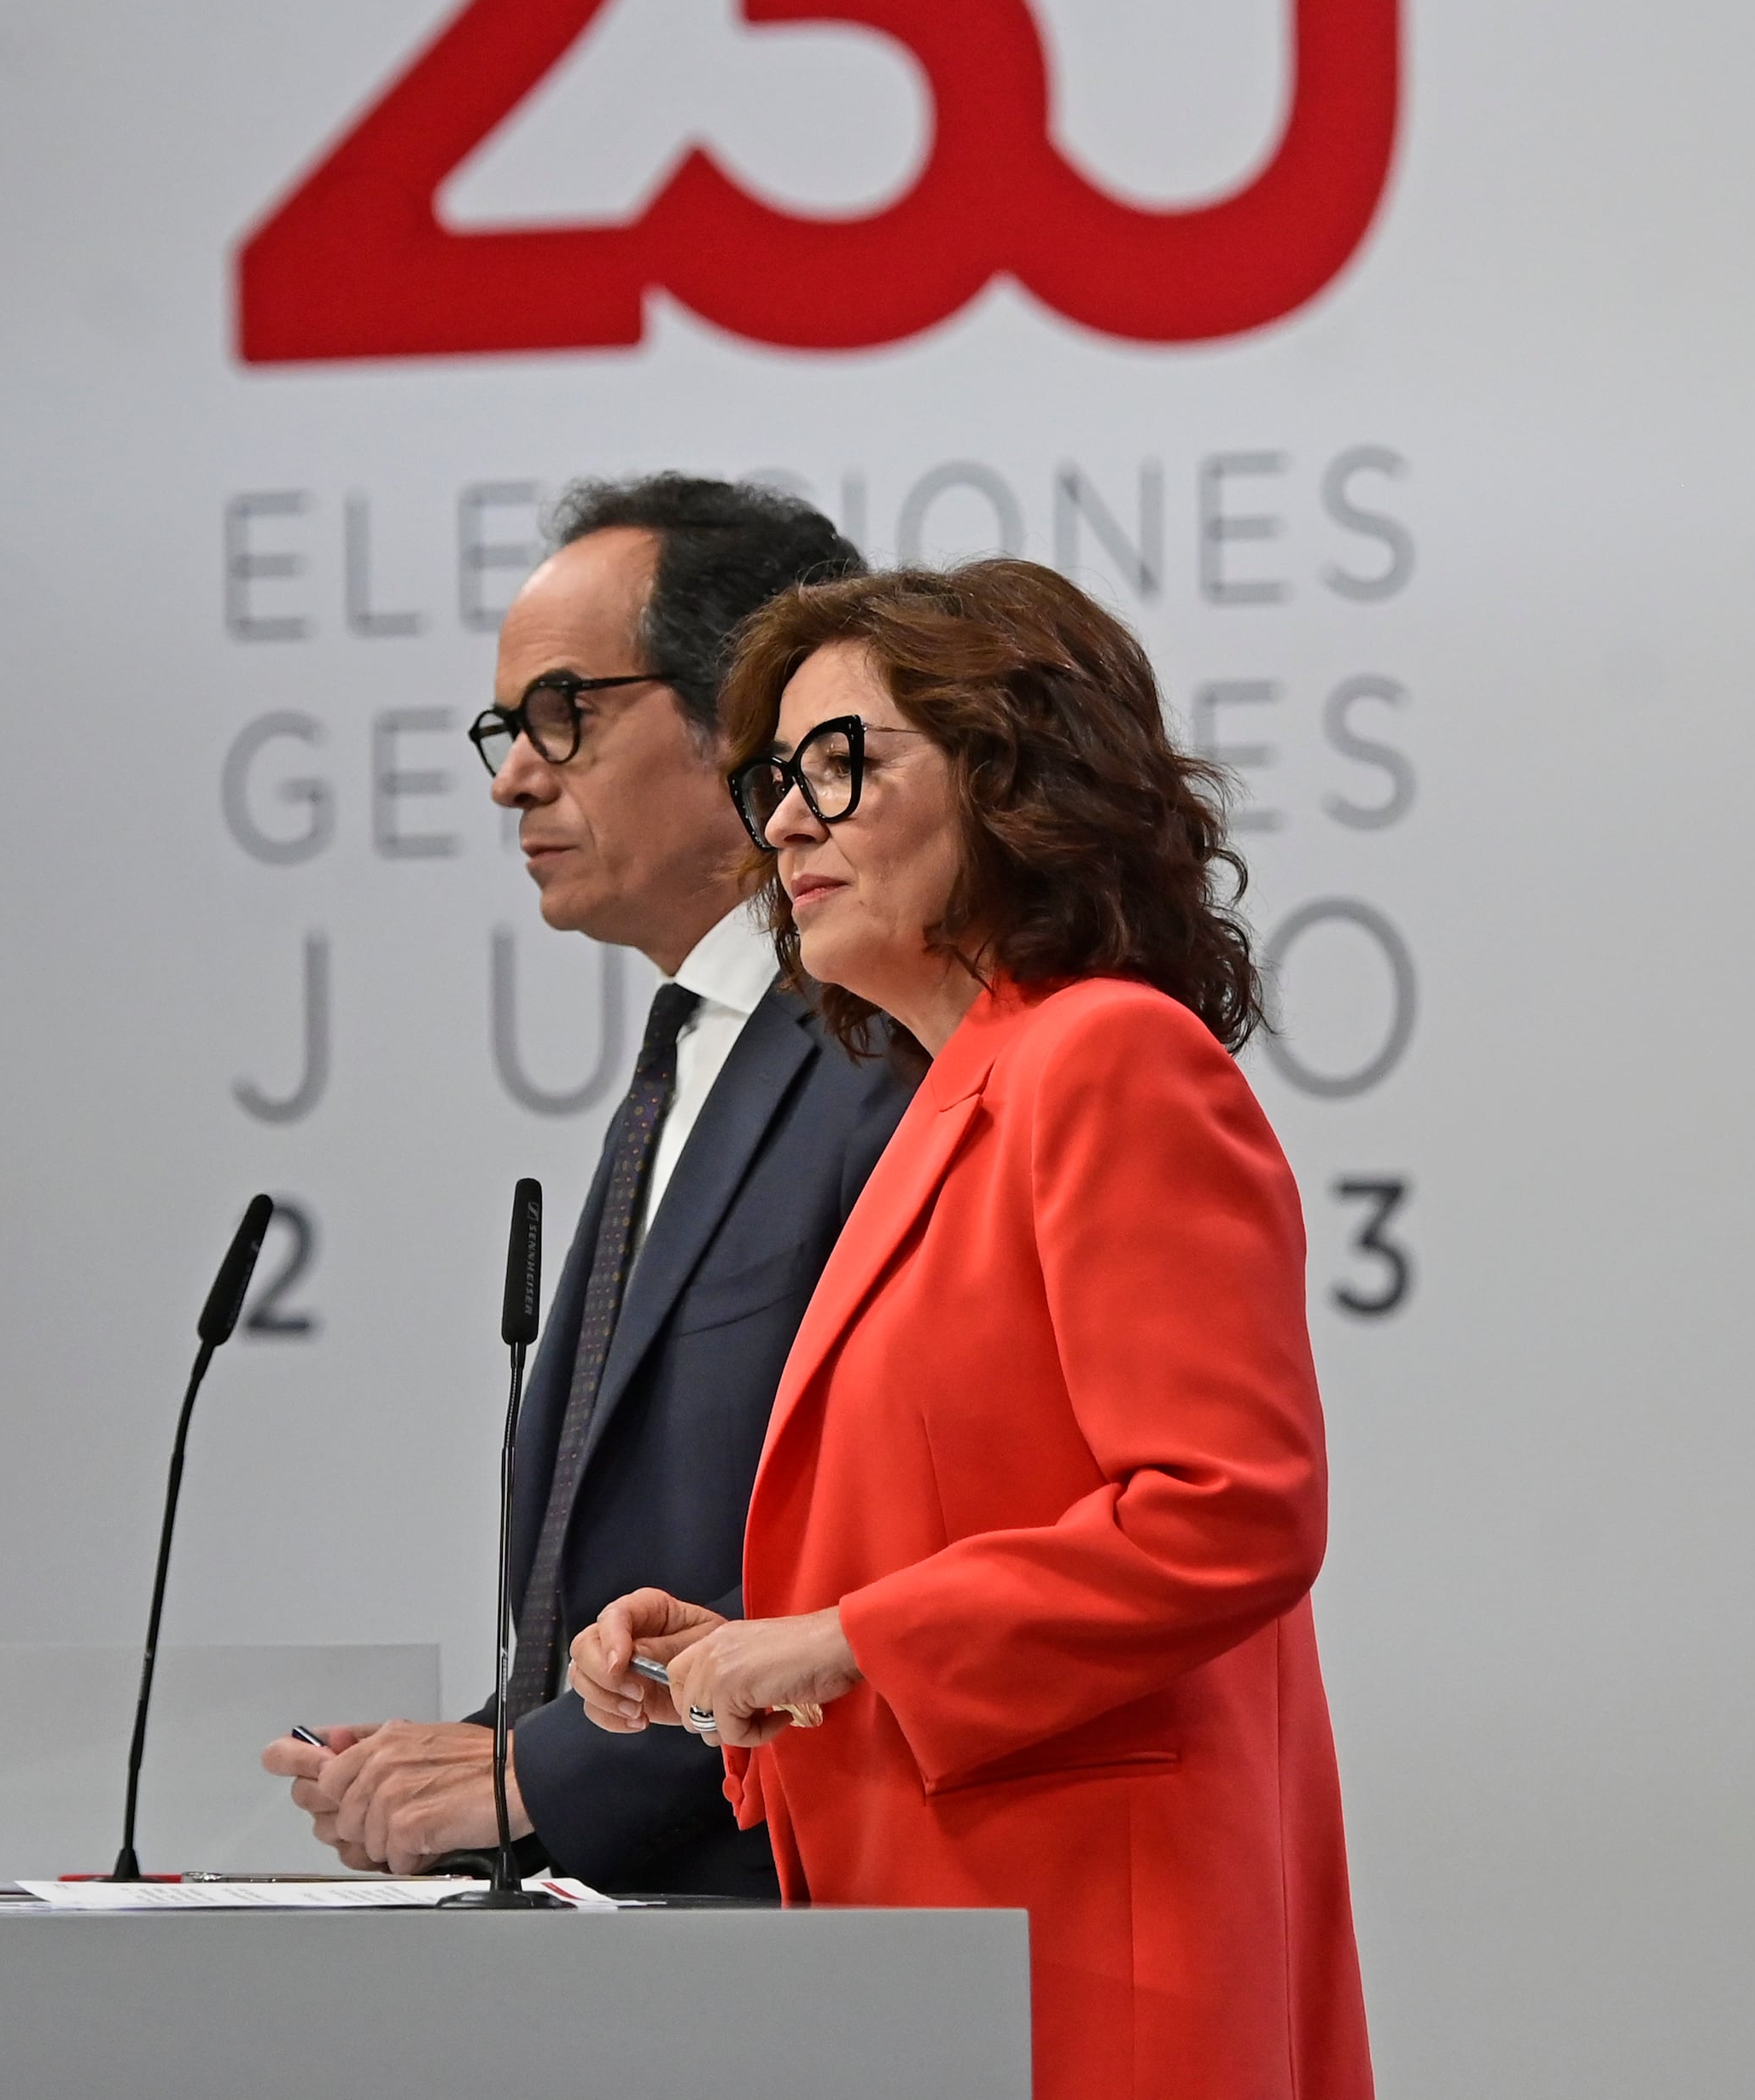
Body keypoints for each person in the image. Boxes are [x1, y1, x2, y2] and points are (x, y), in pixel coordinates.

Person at [569, 559, 1370, 2100]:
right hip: (944, 1949)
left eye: (837, 765)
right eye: (770, 781)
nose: (784, 822)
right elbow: (963, 1531)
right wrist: (732, 1650)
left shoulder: (1110, 1056)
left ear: (1012, 778)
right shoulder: (952, 1100)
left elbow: (1230, 1509)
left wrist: (846, 1636)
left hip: (1092, 1958)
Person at [263, 476, 916, 1897]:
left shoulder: (890, 1051)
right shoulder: (690, 1049)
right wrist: (491, 1757)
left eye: (566, 711)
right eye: (509, 727)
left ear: (747, 721)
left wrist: (539, 1775)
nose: (513, 775)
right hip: (635, 1921)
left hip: (816, 1916)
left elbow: (909, 1554)